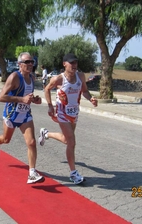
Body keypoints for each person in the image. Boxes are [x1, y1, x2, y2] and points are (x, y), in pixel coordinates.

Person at [38, 53, 98, 185]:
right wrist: (49, 106)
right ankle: (73, 173)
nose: (74, 65)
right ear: (64, 64)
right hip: (62, 112)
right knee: (71, 142)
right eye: (72, 63)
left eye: (76, 63)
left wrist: (91, 98)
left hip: (74, 113)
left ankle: (46, 134)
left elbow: (85, 91)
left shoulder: (80, 76)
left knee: (66, 140)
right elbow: (46, 89)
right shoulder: (58, 79)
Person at [0, 52, 44, 184]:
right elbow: (1, 97)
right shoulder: (14, 77)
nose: (31, 64)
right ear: (20, 64)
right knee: (6, 139)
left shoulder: (31, 77)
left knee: (31, 142)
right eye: (27, 62)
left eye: (32, 62)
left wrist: (35, 99)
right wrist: (22, 99)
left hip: (25, 115)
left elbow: (27, 96)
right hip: (12, 114)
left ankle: (32, 173)